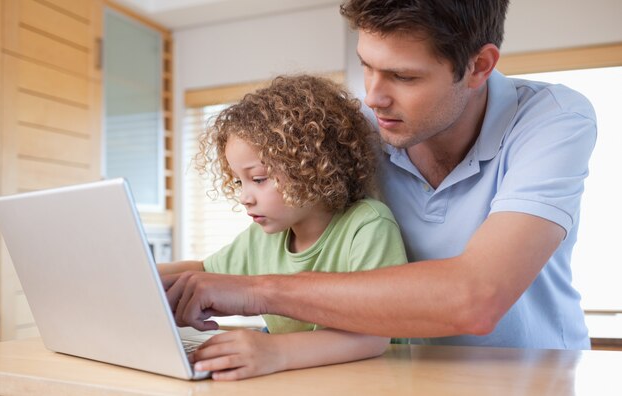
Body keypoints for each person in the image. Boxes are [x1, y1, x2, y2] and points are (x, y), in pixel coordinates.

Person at [164, 0, 597, 350]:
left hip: (536, 375)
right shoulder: (361, 133)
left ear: (479, 66)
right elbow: (234, 259)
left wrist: (256, 292)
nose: (373, 97)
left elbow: (476, 299)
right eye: (366, 65)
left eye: (403, 76)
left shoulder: (552, 120)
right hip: (406, 377)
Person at [160, 74, 408, 380]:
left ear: (313, 165)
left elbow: (374, 336)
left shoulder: (367, 225)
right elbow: (203, 272)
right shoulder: (262, 238)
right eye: (239, 181)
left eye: (259, 178)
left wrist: (274, 351)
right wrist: (143, 274)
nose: (244, 197)